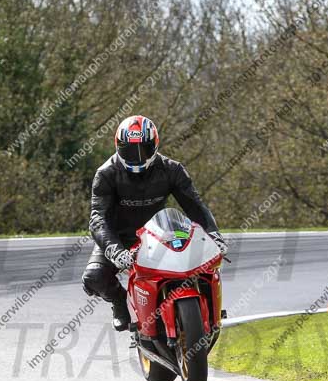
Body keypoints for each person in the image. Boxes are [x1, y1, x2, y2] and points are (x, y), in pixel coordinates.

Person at [82, 115, 227, 331]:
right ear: (118, 147)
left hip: (160, 233)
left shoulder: (172, 169)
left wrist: (214, 235)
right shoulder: (106, 174)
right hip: (118, 237)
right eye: (129, 150)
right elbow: (98, 219)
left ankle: (210, 316)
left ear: (155, 145)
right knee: (93, 276)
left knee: (201, 266)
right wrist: (115, 251)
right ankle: (120, 302)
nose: (137, 156)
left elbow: (195, 206)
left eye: (144, 149)